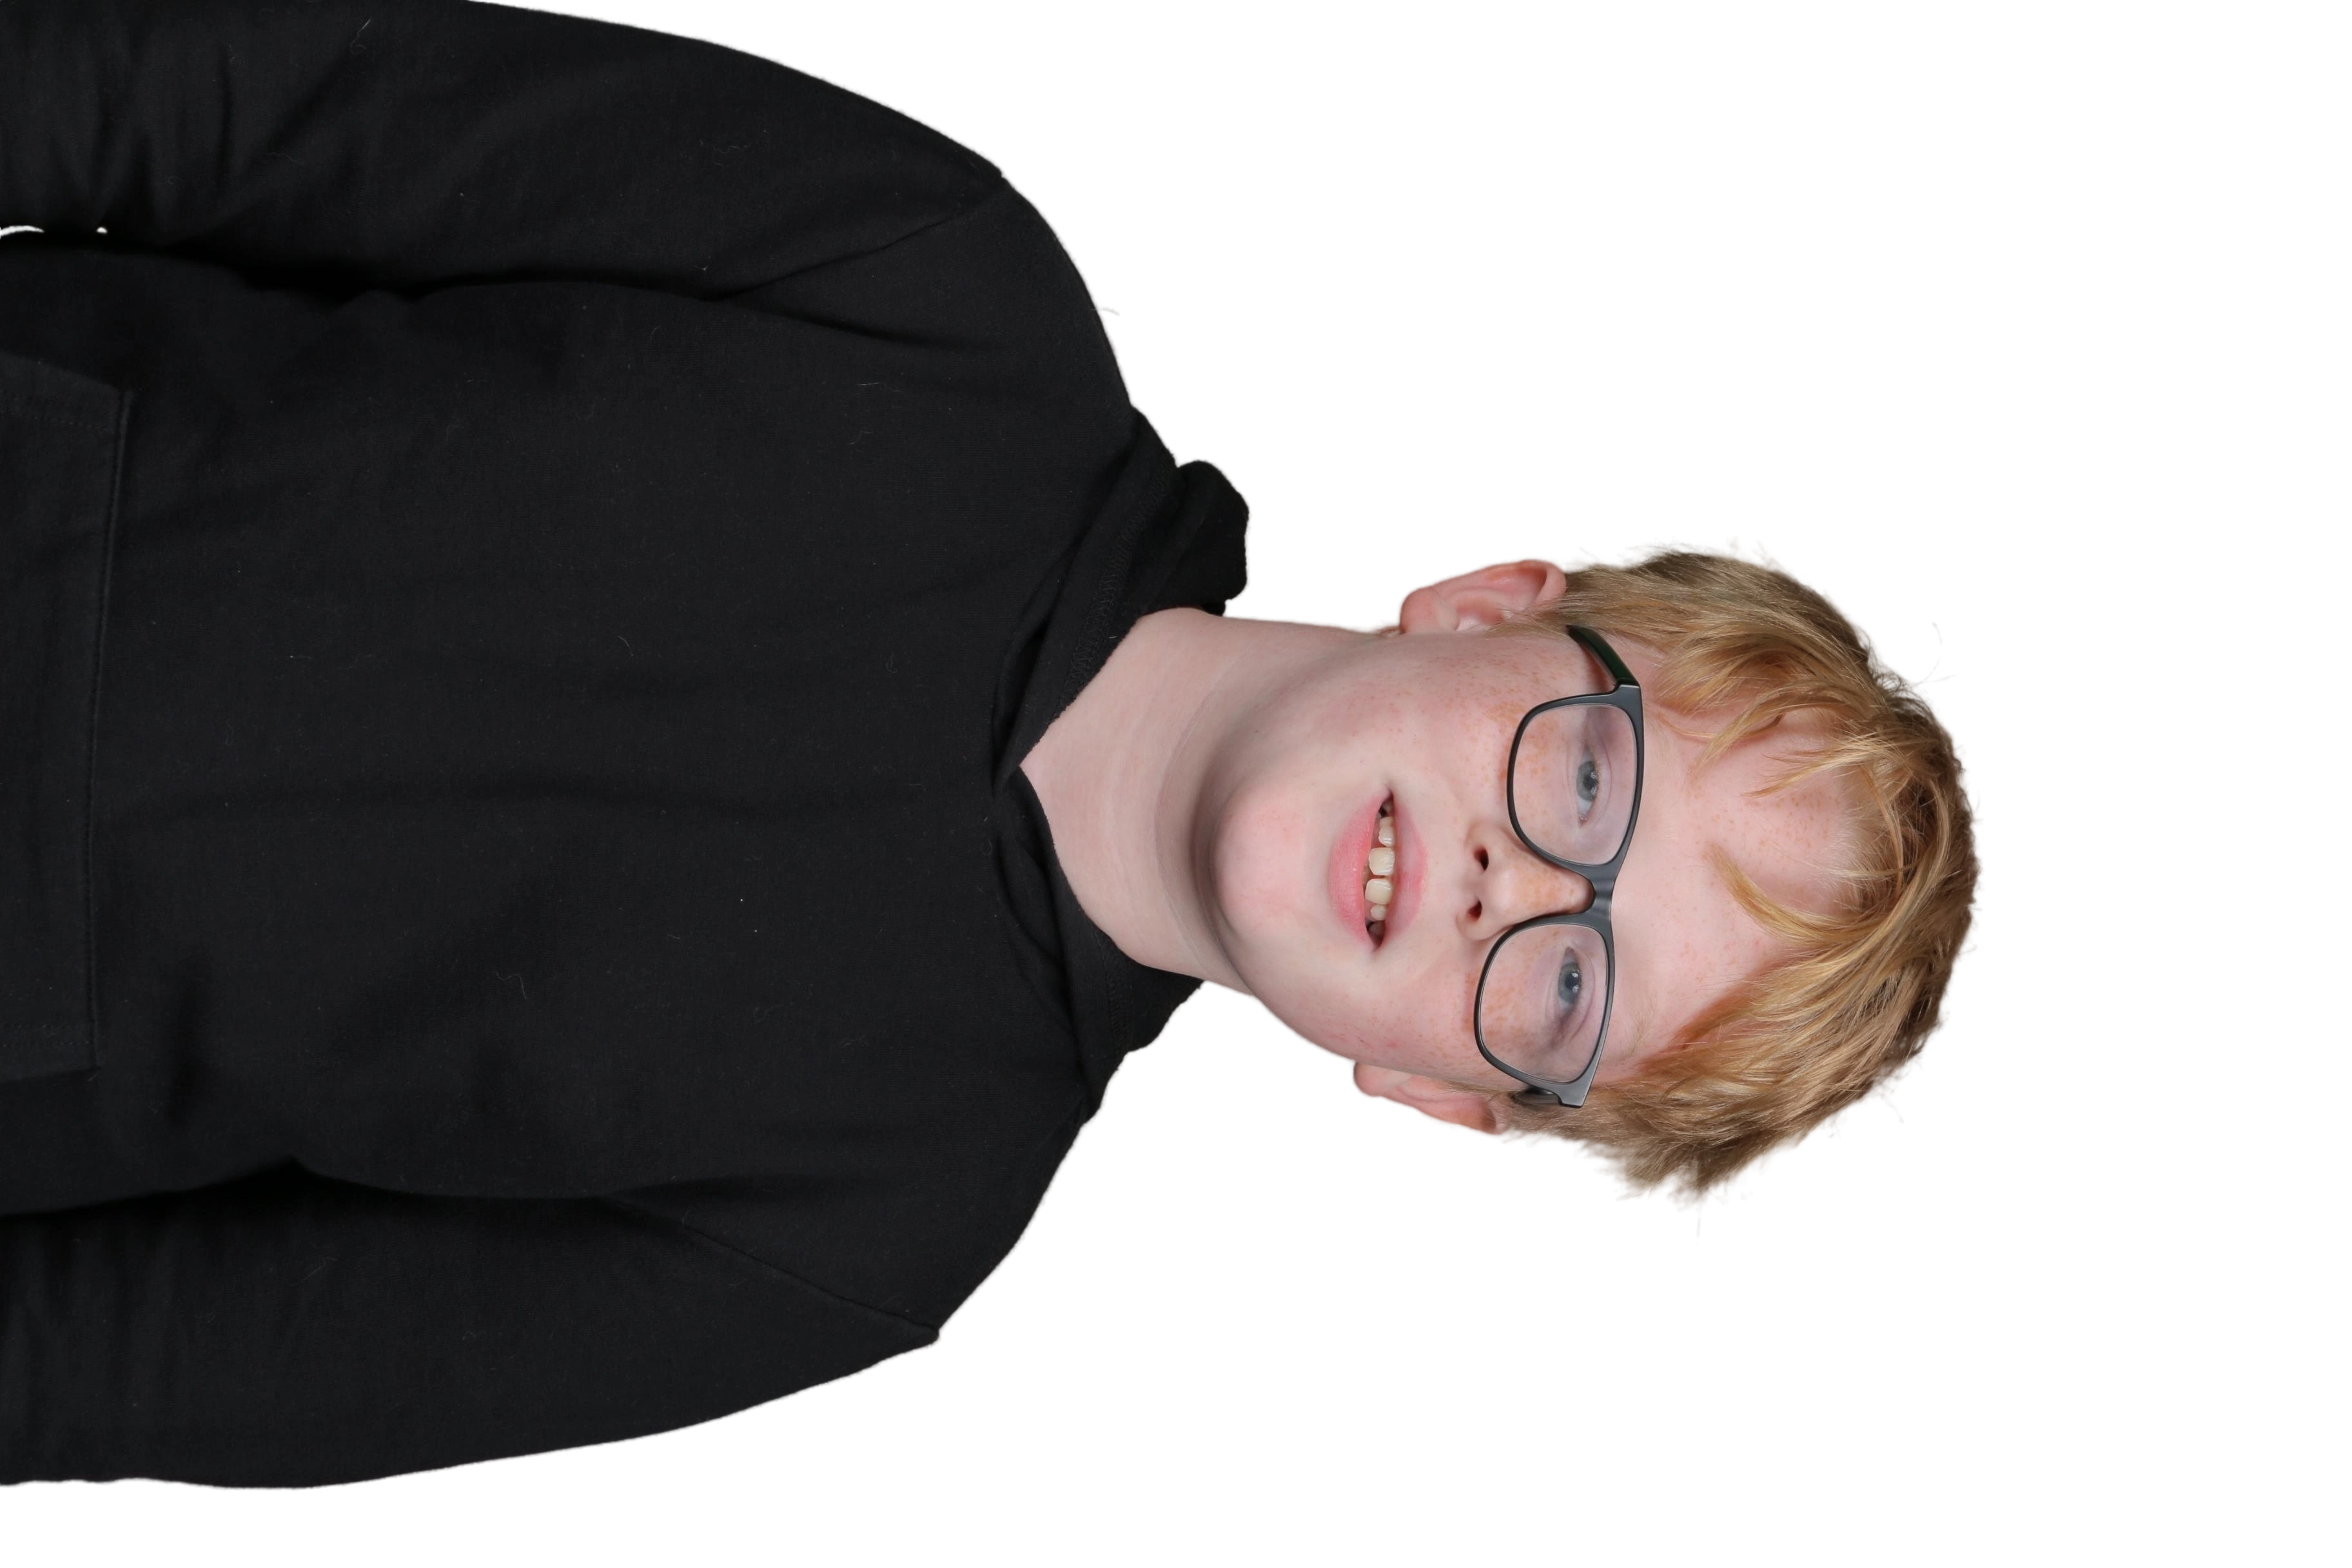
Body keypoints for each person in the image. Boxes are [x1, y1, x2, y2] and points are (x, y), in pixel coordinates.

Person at [0, 0, 1983, 1491]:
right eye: (1587, 785)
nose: (1503, 886)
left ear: (1446, 1098)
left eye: (1565, 986)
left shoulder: (868, 1225)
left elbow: (128, 1364)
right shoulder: (933, 284)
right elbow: (219, 110)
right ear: (1492, 605)